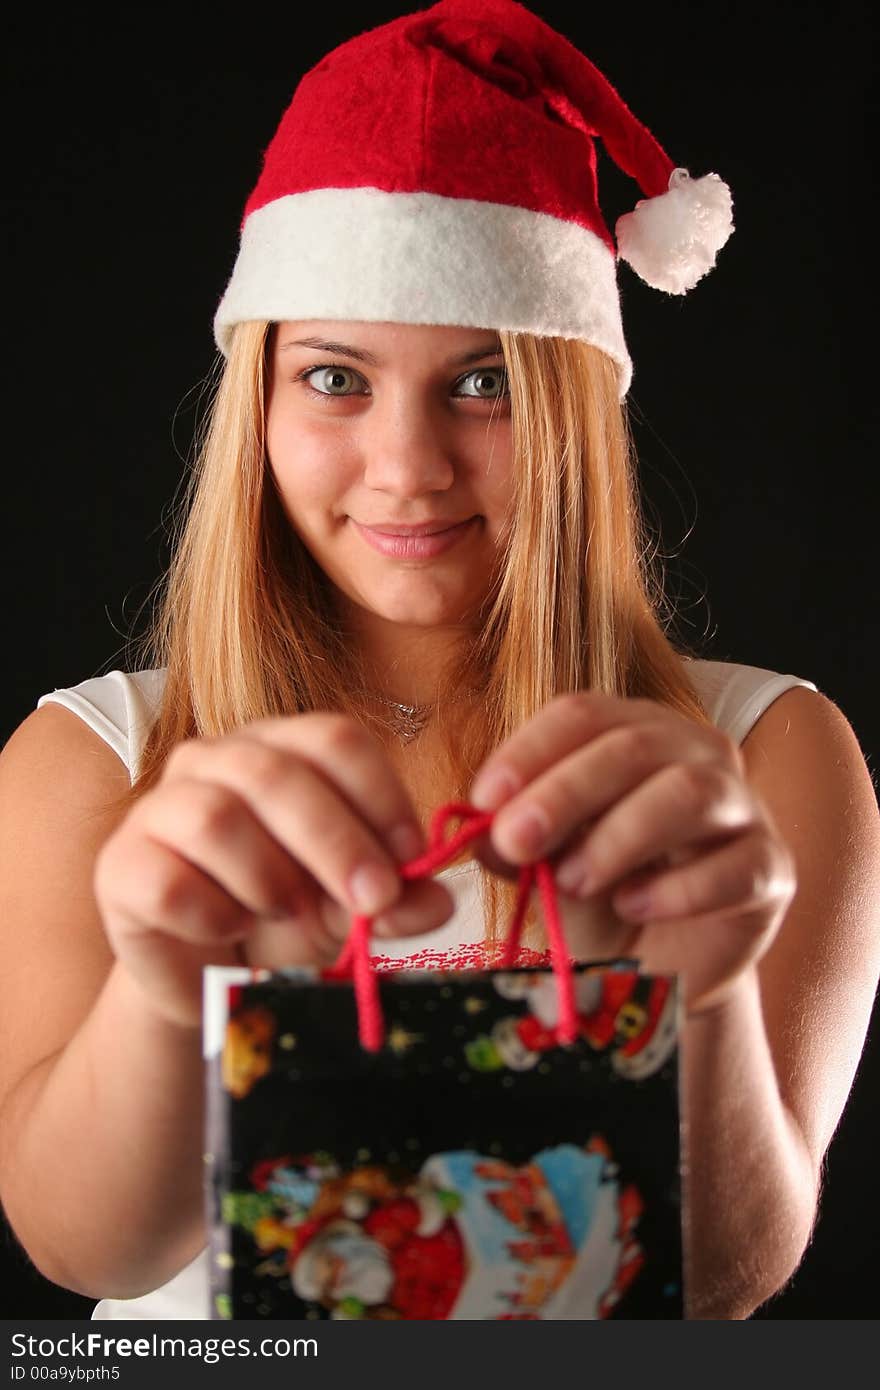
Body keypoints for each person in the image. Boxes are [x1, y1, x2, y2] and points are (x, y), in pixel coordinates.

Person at [0, 0, 877, 1323]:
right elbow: (85, 1251)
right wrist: (169, 990)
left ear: (577, 404)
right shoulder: (92, 755)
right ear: (262, 403)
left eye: (486, 383)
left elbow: (728, 1285)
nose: (407, 469)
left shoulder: (766, 754)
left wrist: (700, 992)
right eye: (339, 379)